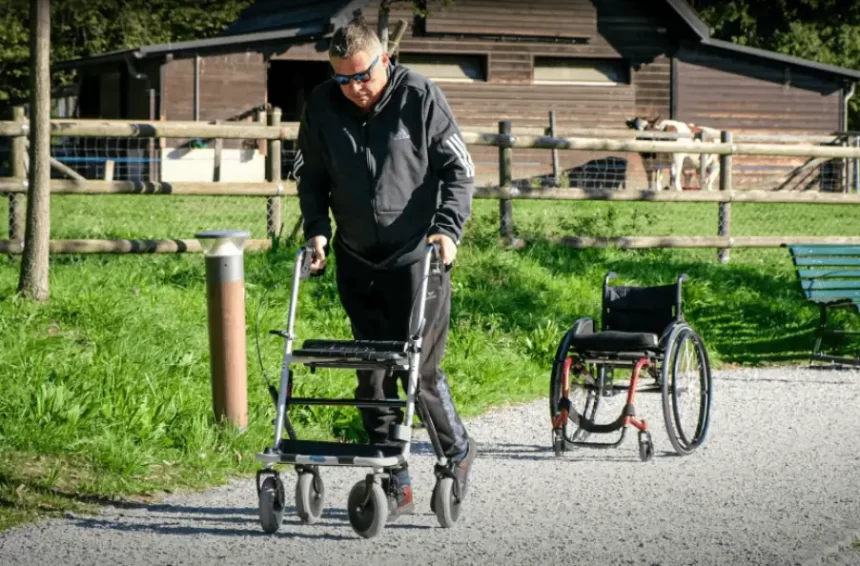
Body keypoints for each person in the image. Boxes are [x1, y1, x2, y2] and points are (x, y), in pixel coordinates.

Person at [292, 15, 477, 518]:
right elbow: (310, 176)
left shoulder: (419, 97)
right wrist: (316, 228)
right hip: (357, 258)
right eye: (343, 78)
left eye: (363, 75)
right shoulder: (322, 106)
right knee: (372, 375)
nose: (354, 87)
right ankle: (394, 480)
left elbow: (459, 170)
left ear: (385, 60)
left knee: (420, 373)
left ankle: (457, 452)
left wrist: (448, 229)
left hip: (419, 259)